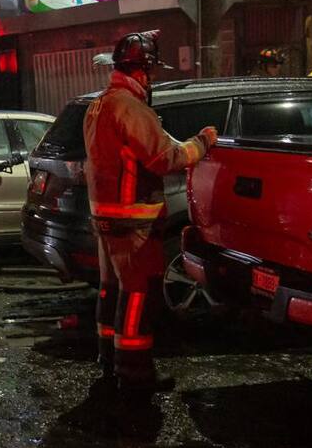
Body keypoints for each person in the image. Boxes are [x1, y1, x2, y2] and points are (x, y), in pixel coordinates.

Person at [85, 30, 218, 399]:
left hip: (106, 217)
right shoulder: (130, 107)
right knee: (137, 294)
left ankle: (108, 359)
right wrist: (203, 142)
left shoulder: (100, 104)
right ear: (140, 70)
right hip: (132, 220)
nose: (153, 78)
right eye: (151, 71)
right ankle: (134, 372)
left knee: (111, 289)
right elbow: (165, 158)